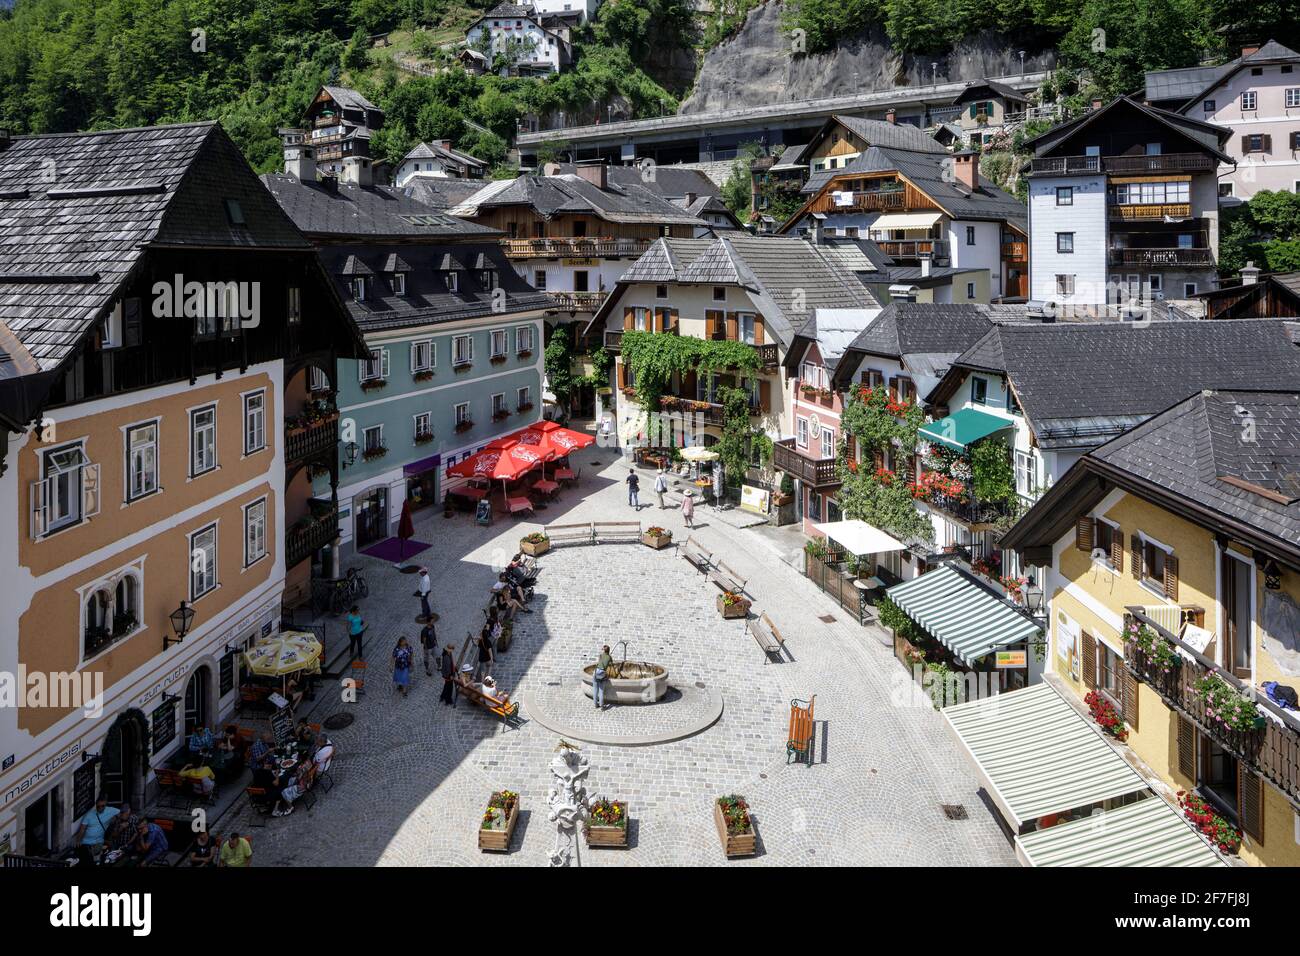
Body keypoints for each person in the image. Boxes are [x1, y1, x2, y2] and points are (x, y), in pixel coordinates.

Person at [73, 794, 120, 865]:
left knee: (94, 860)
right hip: (86, 843)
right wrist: (78, 840)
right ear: (96, 806)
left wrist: (116, 819)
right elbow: (82, 829)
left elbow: (122, 812)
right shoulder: (89, 815)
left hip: (98, 842)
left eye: (102, 806)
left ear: (105, 805)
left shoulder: (111, 810)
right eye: (98, 806)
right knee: (83, 860)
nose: (100, 808)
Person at [593, 645, 613, 710]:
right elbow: (612, 664)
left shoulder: (601, 655)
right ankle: (602, 706)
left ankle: (596, 705)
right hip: (602, 674)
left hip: (596, 672)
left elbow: (599, 662)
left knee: (595, 690)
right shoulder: (609, 657)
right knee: (601, 691)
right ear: (609, 650)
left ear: (603, 650)